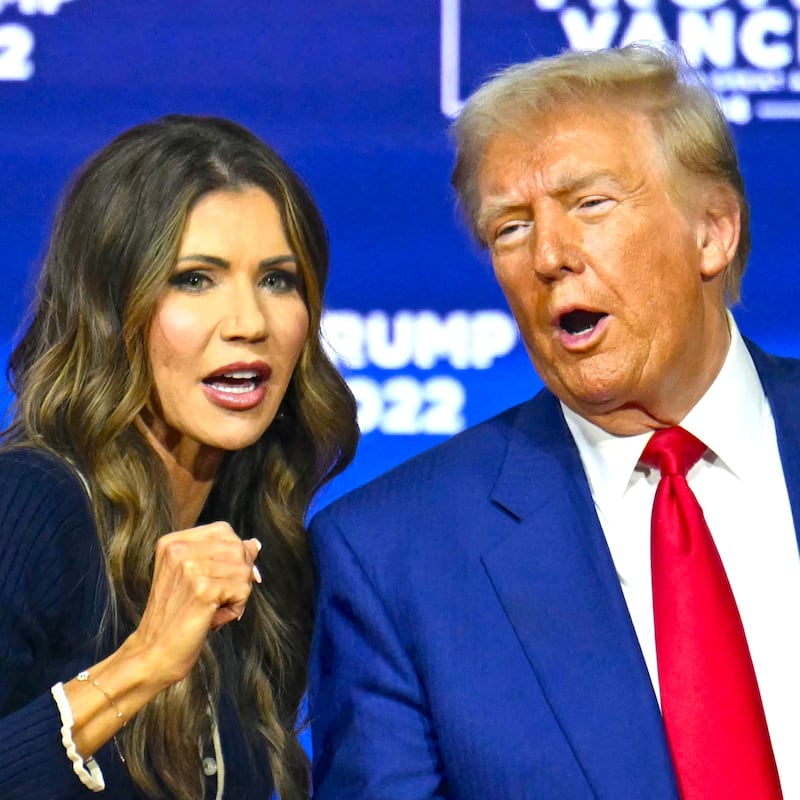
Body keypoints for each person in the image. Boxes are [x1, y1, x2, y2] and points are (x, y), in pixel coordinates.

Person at [308, 42, 800, 799]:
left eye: (589, 204)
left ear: (712, 232)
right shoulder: (395, 557)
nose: (548, 255)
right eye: (509, 228)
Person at [0, 115, 358, 800]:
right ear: (111, 307)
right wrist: (144, 663)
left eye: (278, 280)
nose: (249, 321)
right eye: (196, 279)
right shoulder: (27, 508)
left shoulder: (260, 553)